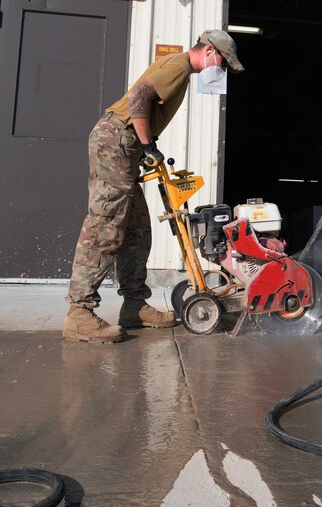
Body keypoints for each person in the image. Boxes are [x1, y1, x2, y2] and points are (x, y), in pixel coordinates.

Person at [63, 29, 244, 343]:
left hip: (123, 144)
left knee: (136, 229)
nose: (222, 70)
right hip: (116, 141)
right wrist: (147, 144)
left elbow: (143, 102)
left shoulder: (180, 70)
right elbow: (137, 97)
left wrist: (145, 145)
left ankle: (134, 305)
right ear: (211, 51)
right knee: (106, 225)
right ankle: (79, 313)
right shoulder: (178, 66)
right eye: (224, 63)